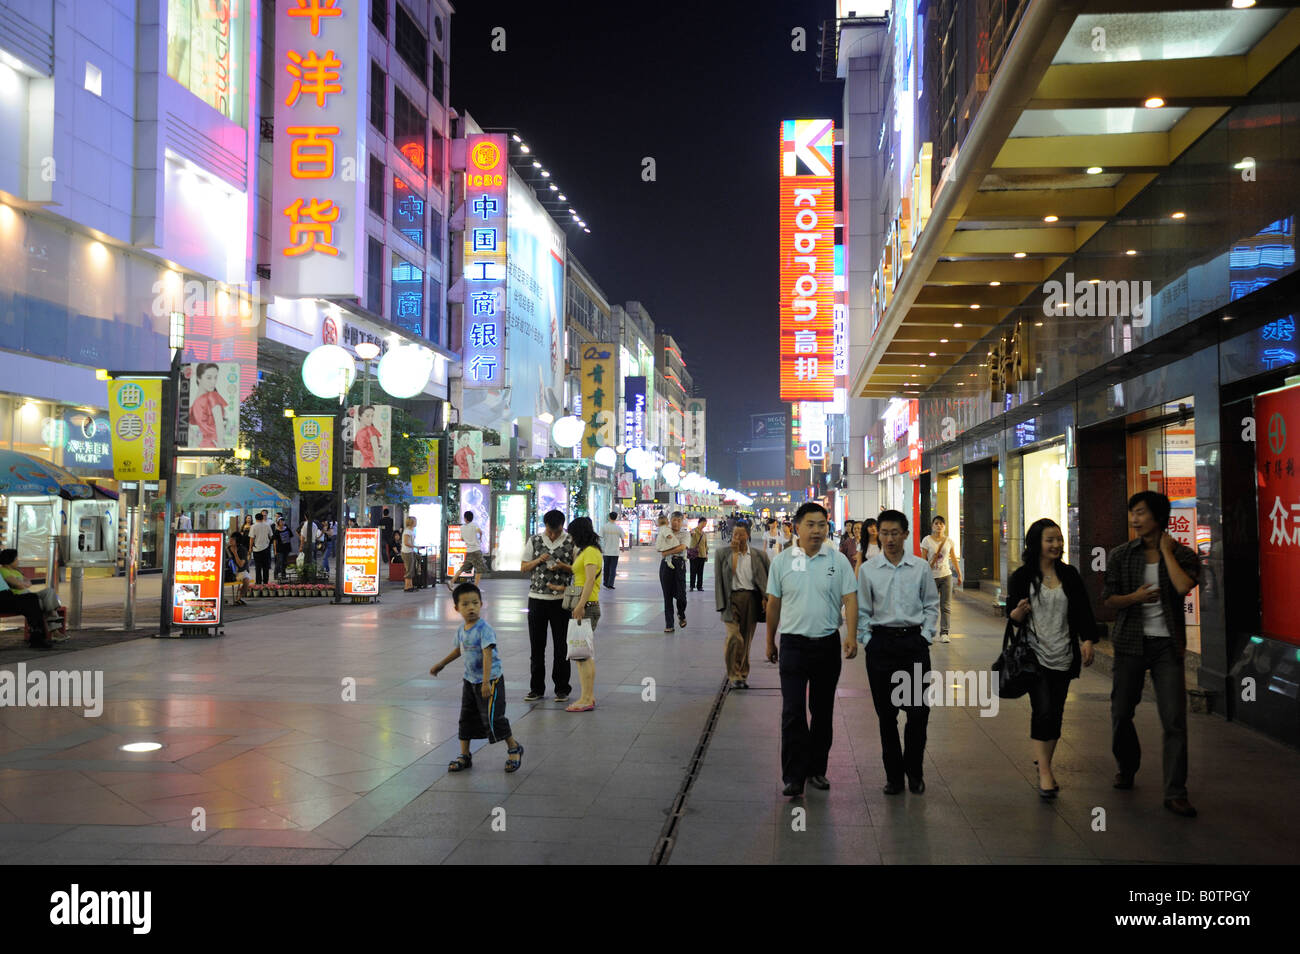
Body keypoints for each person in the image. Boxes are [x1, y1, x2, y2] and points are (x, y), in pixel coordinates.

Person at [1102, 490, 1201, 818]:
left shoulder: (1183, 554)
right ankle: (1127, 767)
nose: (1134, 518)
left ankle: (1175, 792)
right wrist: (1134, 597)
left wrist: (1166, 553)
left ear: (1158, 517)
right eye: (1132, 512)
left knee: (1174, 720)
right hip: (1130, 643)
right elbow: (1108, 600)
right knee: (1121, 713)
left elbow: (1183, 587)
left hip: (1166, 647)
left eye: (1141, 512)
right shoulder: (1120, 554)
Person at [765, 503, 859, 798]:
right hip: (793, 645)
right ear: (796, 527)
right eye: (811, 524)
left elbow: (850, 598)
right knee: (792, 712)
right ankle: (793, 776)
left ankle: (817, 769)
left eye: (822, 524)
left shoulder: (838, 561)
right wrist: (770, 640)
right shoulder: (782, 562)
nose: (817, 530)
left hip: (827, 644)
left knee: (822, 711)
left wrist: (851, 636)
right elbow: (773, 603)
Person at [1007, 518, 1097, 799]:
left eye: (1059, 539)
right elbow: (1013, 616)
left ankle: (1043, 757)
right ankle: (1046, 771)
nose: (1056, 544)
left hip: (1064, 653)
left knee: (1056, 711)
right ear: (1036, 544)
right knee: (1043, 708)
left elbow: (1083, 609)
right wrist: (1019, 613)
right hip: (1034, 654)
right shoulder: (1022, 577)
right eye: (1050, 539)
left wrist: (1088, 639)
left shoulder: (1069, 575)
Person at [857, 509, 940, 796]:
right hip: (880, 647)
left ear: (906, 534)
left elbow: (931, 604)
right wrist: (867, 639)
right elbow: (863, 610)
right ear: (876, 534)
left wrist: (927, 635)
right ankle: (894, 777)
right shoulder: (868, 570)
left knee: (918, 713)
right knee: (886, 716)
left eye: (895, 533)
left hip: (913, 646)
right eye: (884, 533)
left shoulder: (920, 568)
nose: (889, 538)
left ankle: (914, 772)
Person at [430, 582, 524, 774]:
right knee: (466, 718)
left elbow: (487, 654)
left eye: (475, 603)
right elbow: (459, 650)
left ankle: (514, 747)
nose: (471, 607)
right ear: (456, 608)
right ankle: (465, 755)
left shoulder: (484, 628)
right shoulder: (461, 630)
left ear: (481, 604)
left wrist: (487, 681)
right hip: (470, 680)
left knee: (493, 718)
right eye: (465, 604)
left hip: (491, 681)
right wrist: (441, 663)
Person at [520, 510, 575, 703]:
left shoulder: (571, 540)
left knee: (561, 647)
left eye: (556, 531)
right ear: (545, 526)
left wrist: (562, 566)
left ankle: (562, 688)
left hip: (562, 601)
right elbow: (523, 566)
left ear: (562, 526)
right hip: (536, 599)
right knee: (537, 646)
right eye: (550, 531)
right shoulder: (534, 540)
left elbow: (578, 569)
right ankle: (536, 688)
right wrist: (538, 560)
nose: (553, 535)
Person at [716, 522, 769, 689]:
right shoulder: (722, 554)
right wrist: (721, 604)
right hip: (731, 599)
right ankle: (733, 673)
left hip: (751, 599)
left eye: (740, 534)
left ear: (747, 535)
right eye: (734, 534)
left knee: (745, 640)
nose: (737, 537)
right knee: (734, 637)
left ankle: (742, 675)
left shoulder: (759, 556)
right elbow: (720, 580)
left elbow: (768, 581)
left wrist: (766, 599)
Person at [565, 517, 602, 712]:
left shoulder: (590, 552)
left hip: (587, 606)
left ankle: (587, 698)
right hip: (583, 605)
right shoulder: (585, 551)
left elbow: (589, 581)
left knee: (583, 654)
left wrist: (580, 606)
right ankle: (587, 696)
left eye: (572, 534)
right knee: (580, 654)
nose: (571, 538)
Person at [0, 549, 65, 638]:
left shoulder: (15, 571)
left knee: (49, 591)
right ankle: (55, 628)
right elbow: (20, 585)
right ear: (9, 560)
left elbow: (29, 582)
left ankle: (52, 613)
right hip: (20, 597)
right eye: (16, 559)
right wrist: (22, 583)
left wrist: (21, 583)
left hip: (29, 594)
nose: (18, 561)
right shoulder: (3, 571)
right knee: (44, 603)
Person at [920, 516, 962, 642]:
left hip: (946, 575)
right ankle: (928, 631)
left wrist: (959, 574)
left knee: (946, 605)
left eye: (941, 524)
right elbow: (923, 559)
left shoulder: (949, 541)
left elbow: (953, 558)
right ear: (932, 526)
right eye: (936, 523)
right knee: (930, 606)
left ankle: (944, 632)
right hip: (931, 577)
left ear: (944, 526)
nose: (939, 526)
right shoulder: (927, 540)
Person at [656, 511, 690, 633]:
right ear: (670, 520)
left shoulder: (685, 534)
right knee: (667, 596)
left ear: (682, 522)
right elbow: (660, 546)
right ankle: (669, 624)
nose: (676, 522)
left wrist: (667, 552)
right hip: (666, 565)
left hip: (679, 565)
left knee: (681, 596)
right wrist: (665, 552)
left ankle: (681, 613)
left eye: (678, 520)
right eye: (674, 520)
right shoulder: (665, 531)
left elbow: (682, 547)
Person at [0, 569, 51, 649]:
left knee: (32, 598)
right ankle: (37, 637)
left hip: (8, 595)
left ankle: (38, 635)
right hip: (3, 599)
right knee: (30, 601)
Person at [189, 362, 227, 448]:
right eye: (209, 378)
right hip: (213, 444)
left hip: (205, 445)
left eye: (215, 378)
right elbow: (219, 424)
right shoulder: (212, 396)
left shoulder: (194, 404)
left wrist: (196, 442)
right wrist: (221, 447)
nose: (213, 382)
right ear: (199, 378)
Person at [458, 510, 488, 587]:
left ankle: (452, 581)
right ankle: (475, 586)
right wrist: (480, 538)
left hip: (469, 550)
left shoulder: (463, 527)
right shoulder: (474, 526)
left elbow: (461, 539)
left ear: (465, 518)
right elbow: (480, 532)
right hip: (476, 550)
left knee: (464, 568)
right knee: (479, 568)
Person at [224, 520, 251, 604]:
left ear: (237, 541)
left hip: (240, 571)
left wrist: (235, 553)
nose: (230, 541)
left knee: (246, 580)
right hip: (228, 572)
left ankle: (239, 598)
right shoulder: (226, 549)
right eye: (230, 539)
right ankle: (221, 598)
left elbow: (241, 564)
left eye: (232, 540)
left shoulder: (242, 550)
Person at [600, 512, 625, 590]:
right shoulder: (618, 528)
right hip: (615, 552)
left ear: (609, 517)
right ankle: (610, 584)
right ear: (616, 518)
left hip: (606, 551)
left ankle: (605, 582)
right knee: (613, 568)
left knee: (606, 567)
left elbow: (600, 537)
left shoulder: (604, 527)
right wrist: (623, 547)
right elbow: (623, 538)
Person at [354, 405, 384, 469]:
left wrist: (377, 464)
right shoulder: (361, 432)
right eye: (367, 416)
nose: (370, 419)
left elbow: (376, 450)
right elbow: (374, 450)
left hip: (370, 463)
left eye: (372, 416)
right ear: (360, 416)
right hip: (368, 463)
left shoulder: (369, 430)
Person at [249, 511, 273, 585]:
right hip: (266, 548)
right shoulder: (267, 525)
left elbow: (252, 538)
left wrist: (250, 548)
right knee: (266, 566)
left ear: (255, 519)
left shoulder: (253, 526)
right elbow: (271, 536)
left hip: (257, 549)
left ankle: (258, 582)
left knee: (258, 566)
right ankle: (265, 582)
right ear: (262, 518)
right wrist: (267, 541)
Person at [688, 517, 709, 591]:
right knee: (693, 571)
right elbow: (690, 534)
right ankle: (692, 586)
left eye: (705, 524)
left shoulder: (704, 533)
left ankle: (699, 586)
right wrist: (691, 533)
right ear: (699, 523)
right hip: (694, 555)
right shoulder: (694, 531)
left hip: (702, 555)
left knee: (700, 572)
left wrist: (706, 554)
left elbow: (706, 545)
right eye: (703, 523)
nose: (704, 525)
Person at [401, 516, 418, 592]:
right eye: (415, 521)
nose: (416, 522)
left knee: (411, 569)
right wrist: (415, 547)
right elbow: (406, 542)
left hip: (410, 551)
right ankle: (407, 586)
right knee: (409, 569)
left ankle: (410, 585)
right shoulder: (407, 531)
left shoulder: (411, 530)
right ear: (411, 522)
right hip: (406, 552)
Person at [273, 516, 292, 581]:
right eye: (281, 521)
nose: (282, 522)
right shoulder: (276, 531)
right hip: (279, 549)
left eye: (283, 521)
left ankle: (283, 575)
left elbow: (291, 536)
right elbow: (274, 541)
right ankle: (276, 574)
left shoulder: (287, 529)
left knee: (284, 562)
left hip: (286, 548)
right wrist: (275, 550)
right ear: (278, 522)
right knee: (279, 562)